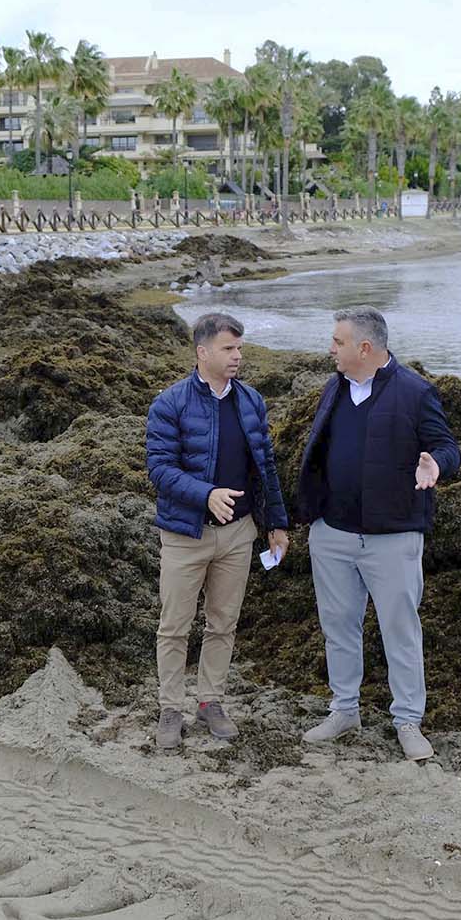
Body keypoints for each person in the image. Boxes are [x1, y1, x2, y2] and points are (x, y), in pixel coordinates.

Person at [295, 307, 460, 761]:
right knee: (338, 627)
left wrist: (436, 464)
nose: (331, 348)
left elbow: (448, 447)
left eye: (338, 342)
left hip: (393, 537)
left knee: (400, 631)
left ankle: (408, 720)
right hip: (332, 534)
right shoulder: (334, 387)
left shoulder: (415, 392)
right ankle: (344, 710)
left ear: (364, 348)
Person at [144, 313, 290, 750]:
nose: (238, 357)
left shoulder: (251, 401)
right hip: (186, 533)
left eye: (240, 349)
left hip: (239, 533)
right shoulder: (169, 404)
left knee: (223, 624)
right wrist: (205, 494)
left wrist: (277, 524)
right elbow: (160, 469)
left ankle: (211, 701)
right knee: (174, 626)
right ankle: (171, 707)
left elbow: (265, 468)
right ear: (202, 352)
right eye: (229, 349)